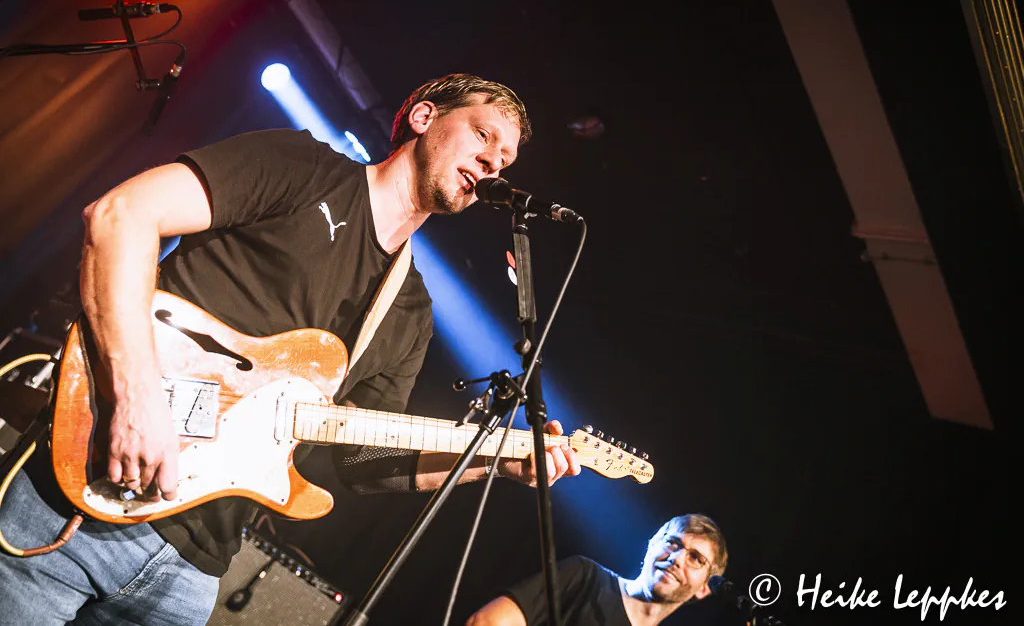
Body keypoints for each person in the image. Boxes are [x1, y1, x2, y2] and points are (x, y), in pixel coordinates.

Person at [0, 73, 582, 625]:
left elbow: (359, 461)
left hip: (190, 572)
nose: (494, 161)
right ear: (425, 117)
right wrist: (136, 400)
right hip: (80, 495)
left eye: (505, 158)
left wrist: (493, 460)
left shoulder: (409, 312)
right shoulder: (302, 167)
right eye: (483, 135)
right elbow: (121, 214)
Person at [466, 514, 728, 626]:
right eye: (672, 543)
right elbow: (486, 622)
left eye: (696, 558)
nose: (677, 559)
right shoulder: (584, 576)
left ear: (705, 588)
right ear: (651, 544)